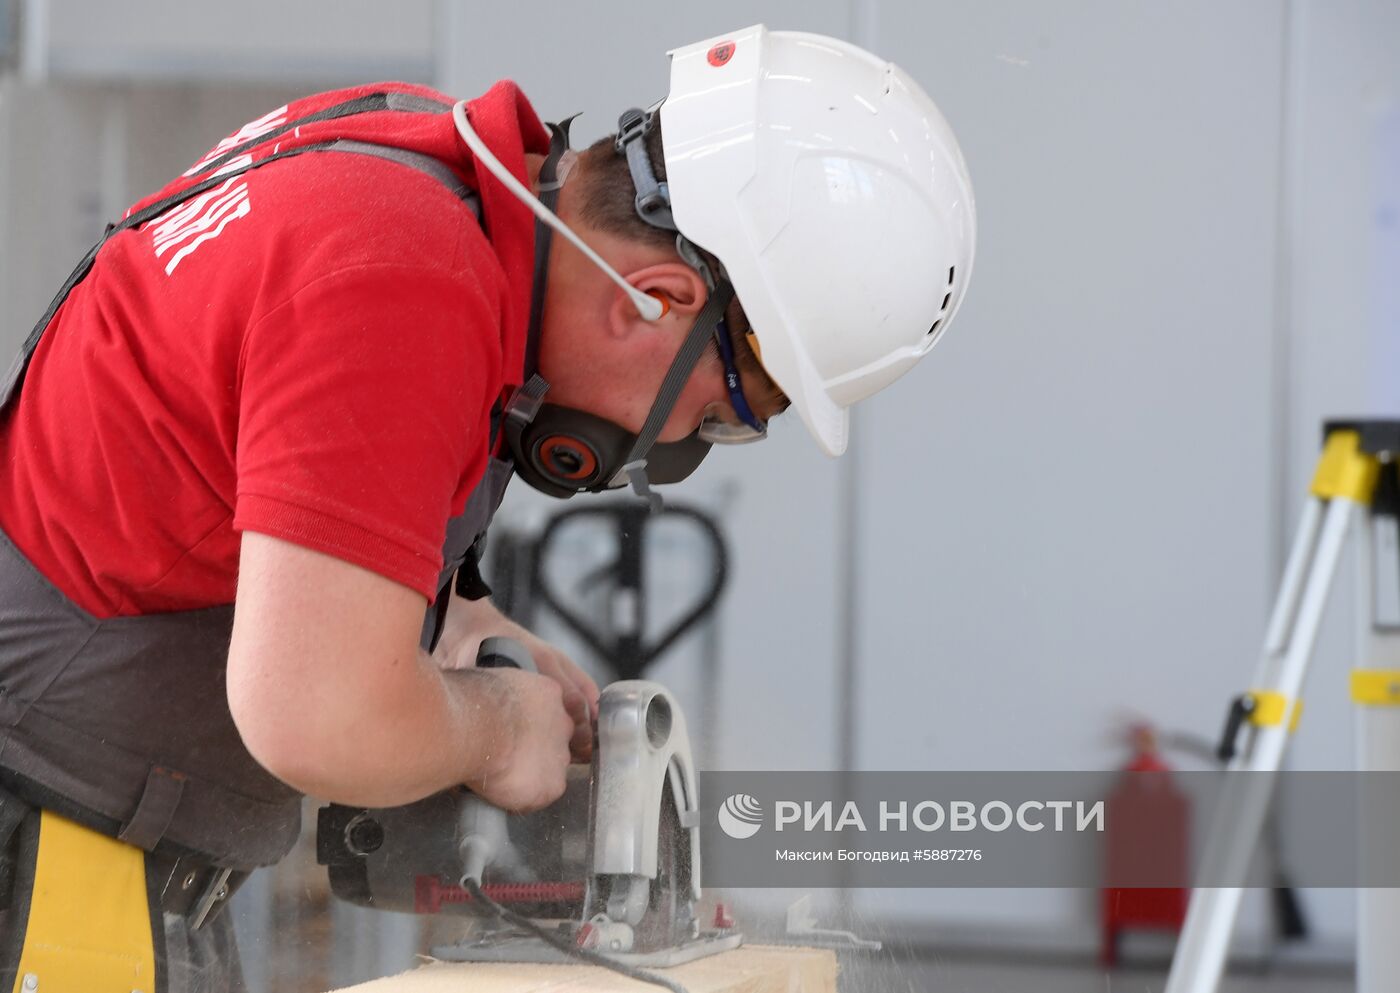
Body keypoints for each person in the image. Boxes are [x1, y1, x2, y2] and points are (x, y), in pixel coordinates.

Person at [0, 24, 973, 993]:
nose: (679, 446)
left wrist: (461, 623)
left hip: (80, 824)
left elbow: (235, 473)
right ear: (653, 297)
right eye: (724, 414)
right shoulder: (402, 276)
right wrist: (496, 730)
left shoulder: (426, 172)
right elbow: (317, 716)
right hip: (54, 844)